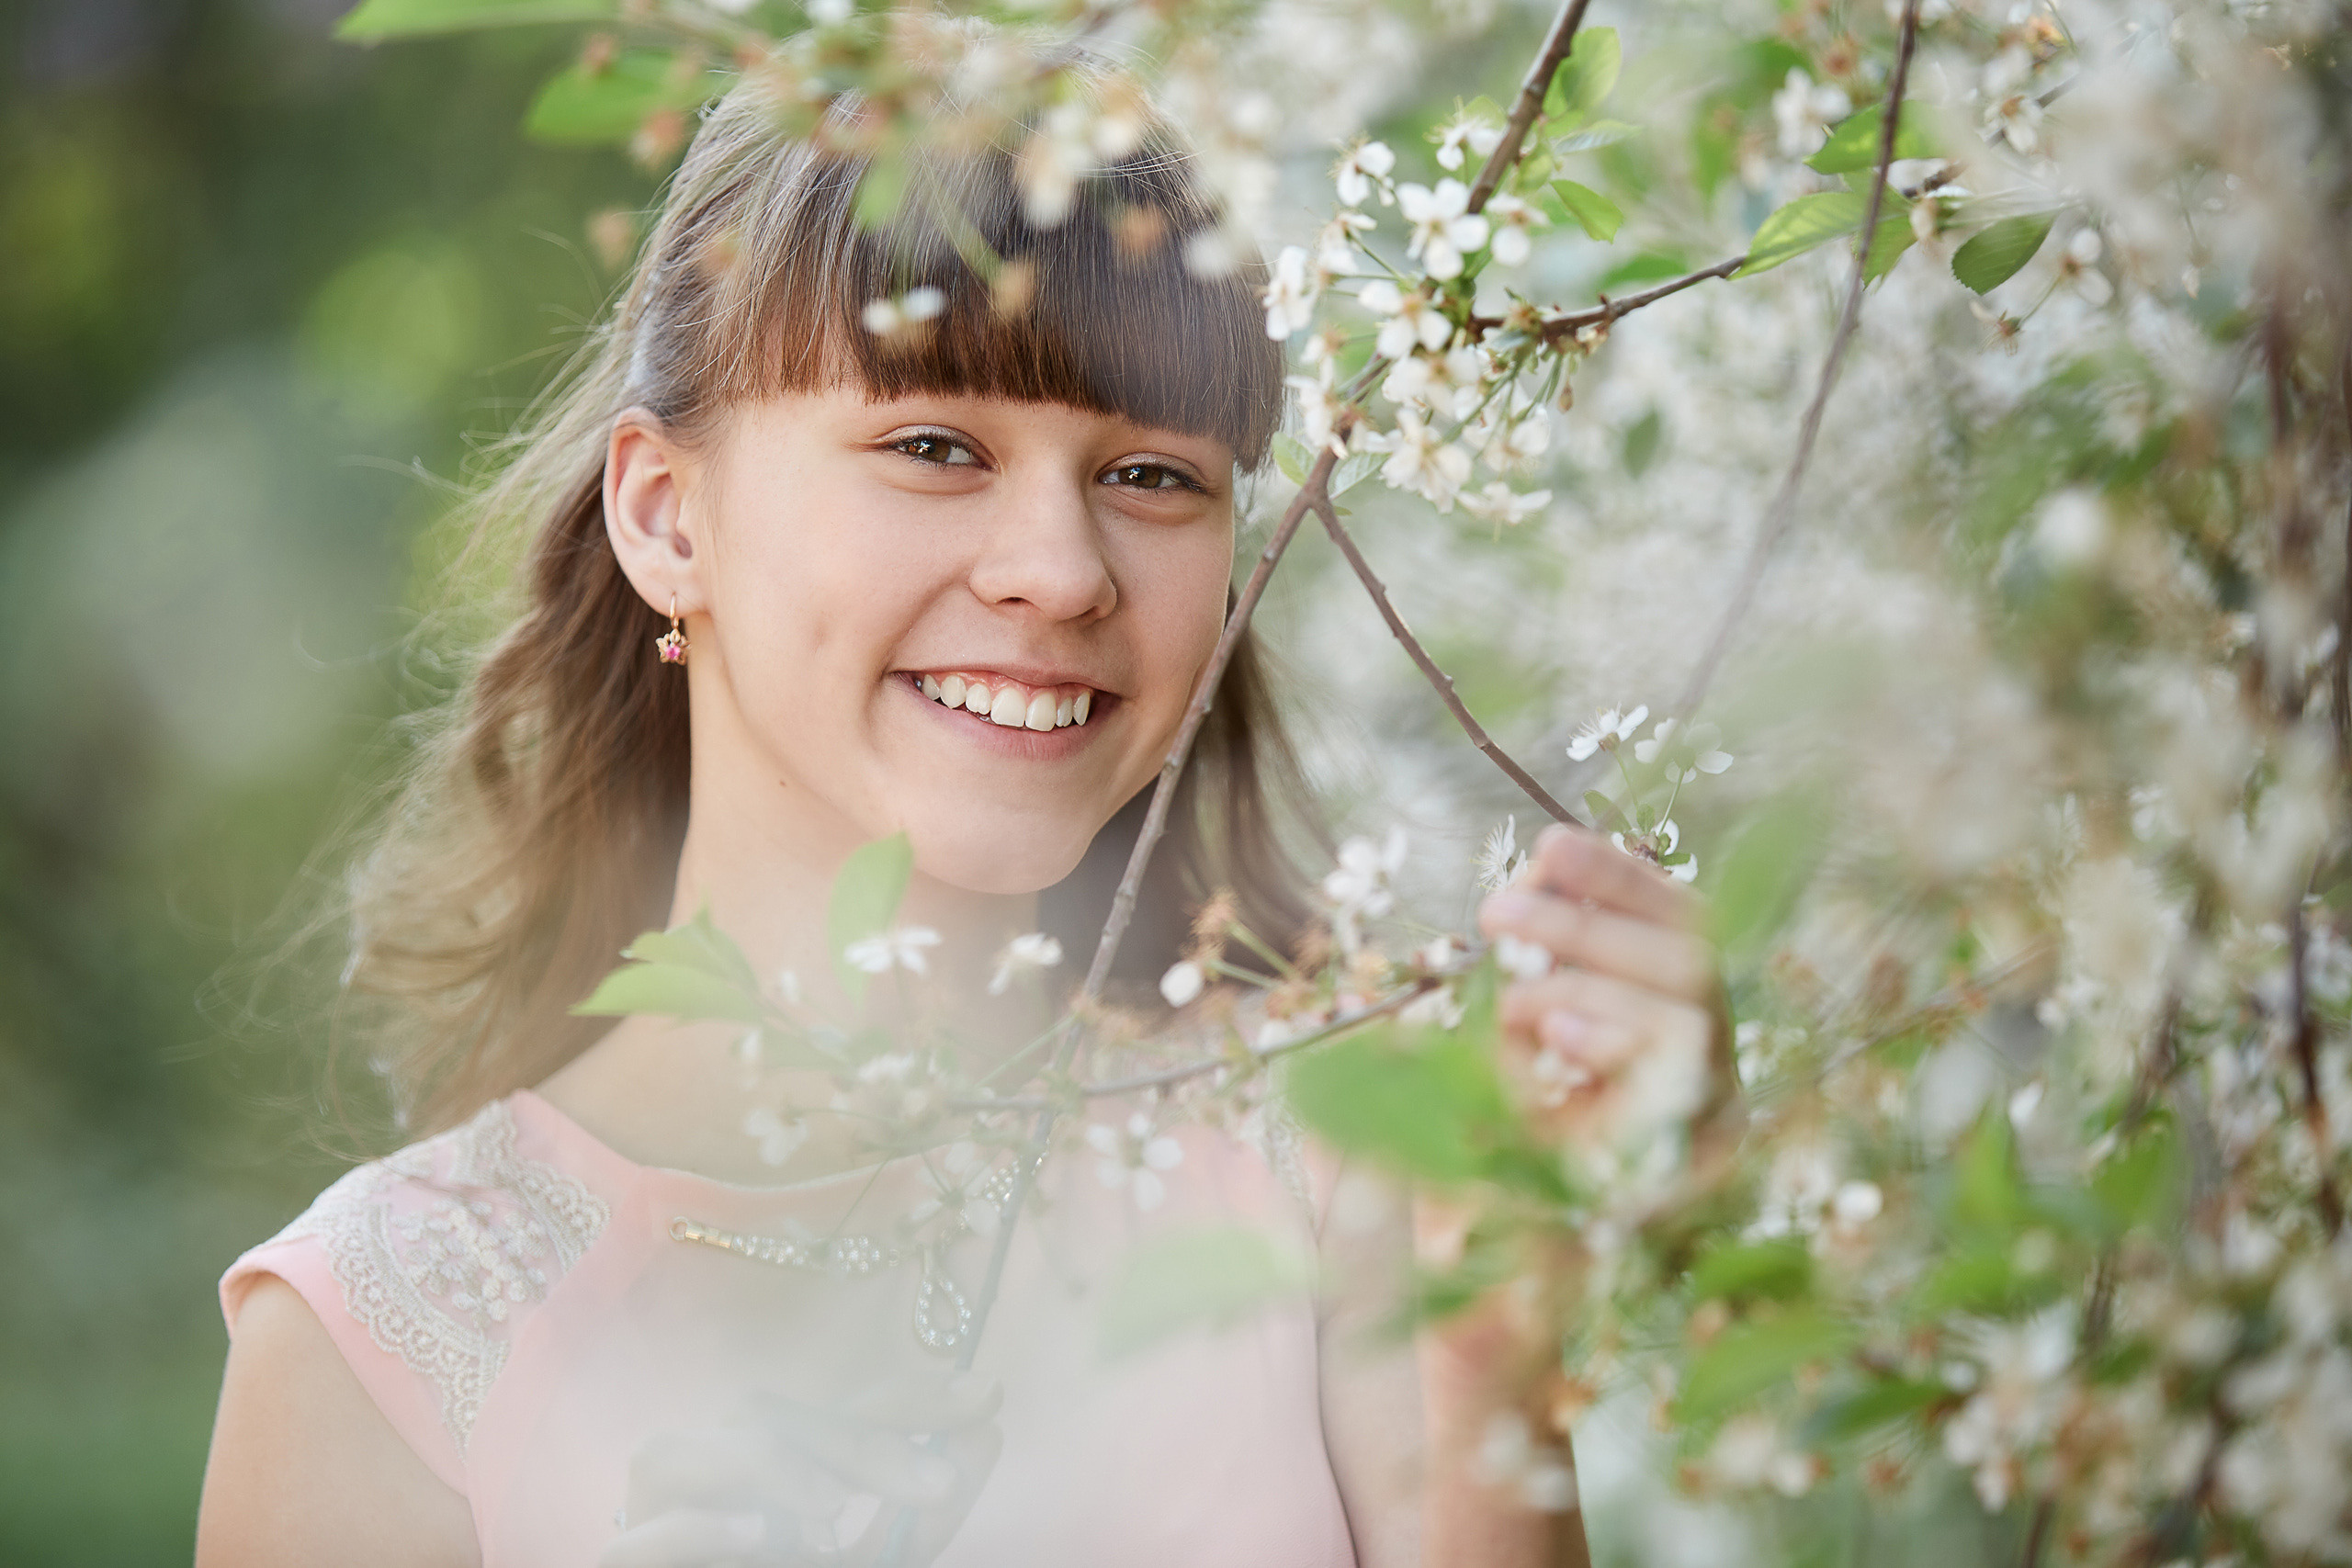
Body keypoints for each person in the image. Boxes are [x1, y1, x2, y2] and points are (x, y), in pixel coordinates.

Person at [194, 51, 1725, 1568]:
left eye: (1150, 474)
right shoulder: (386, 1343)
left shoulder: (1339, 1154)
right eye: (935, 447)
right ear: (668, 515)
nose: (1061, 571)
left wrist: (1506, 1314)